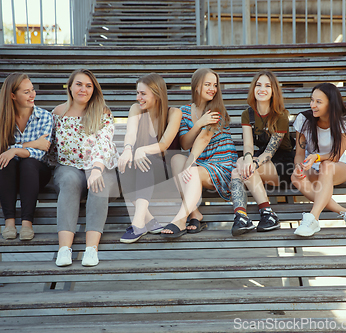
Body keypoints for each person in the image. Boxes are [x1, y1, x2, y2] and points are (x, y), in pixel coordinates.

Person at [51, 69, 119, 267]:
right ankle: (64, 250)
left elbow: (103, 142)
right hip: (68, 167)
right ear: (70, 87)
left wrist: (96, 169)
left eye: (89, 86)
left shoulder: (102, 112)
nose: (84, 89)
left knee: (100, 182)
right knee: (70, 181)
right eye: (79, 84)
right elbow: (51, 146)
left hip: (99, 166)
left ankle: (91, 249)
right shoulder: (58, 113)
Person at [161, 68, 237, 238]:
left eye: (215, 85)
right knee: (175, 160)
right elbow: (184, 143)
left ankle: (180, 220)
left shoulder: (217, 110)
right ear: (196, 87)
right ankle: (195, 213)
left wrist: (190, 163)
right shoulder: (185, 111)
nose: (213, 88)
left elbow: (204, 138)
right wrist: (198, 123)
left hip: (221, 164)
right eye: (207, 84)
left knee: (190, 169)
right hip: (199, 162)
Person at [291, 82, 346, 237]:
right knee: (295, 176)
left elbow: (336, 155)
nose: (313, 105)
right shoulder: (303, 119)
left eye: (319, 102)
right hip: (312, 167)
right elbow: (299, 153)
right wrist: (299, 167)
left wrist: (317, 157)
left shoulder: (345, 119)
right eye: (312, 100)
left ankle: (313, 218)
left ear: (331, 104)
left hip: (338, 167)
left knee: (327, 165)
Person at [118, 73, 182, 243]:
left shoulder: (174, 113)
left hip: (167, 171)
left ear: (157, 94)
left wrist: (142, 150)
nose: (138, 97)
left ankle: (138, 224)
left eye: (143, 94)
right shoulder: (136, 109)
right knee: (122, 164)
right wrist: (127, 150)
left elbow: (164, 145)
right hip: (143, 169)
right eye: (137, 93)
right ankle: (148, 221)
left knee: (145, 161)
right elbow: (130, 133)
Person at [230, 70, 295, 236]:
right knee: (237, 168)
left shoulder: (281, 116)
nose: (262, 89)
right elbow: (248, 145)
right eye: (258, 85)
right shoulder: (247, 114)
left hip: (282, 163)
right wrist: (247, 159)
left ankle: (268, 214)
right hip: (260, 159)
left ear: (273, 91)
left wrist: (253, 163)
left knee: (247, 167)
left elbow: (270, 151)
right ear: (253, 88)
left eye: (267, 85)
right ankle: (241, 216)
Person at [0, 73, 52, 241]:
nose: (32, 95)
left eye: (32, 90)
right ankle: (9, 223)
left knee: (29, 163)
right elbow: (1, 150)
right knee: (6, 162)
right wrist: (30, 145)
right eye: (26, 92)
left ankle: (26, 224)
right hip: (6, 173)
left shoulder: (45, 116)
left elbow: (42, 151)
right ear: (12, 95)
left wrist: (15, 150)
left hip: (36, 173)